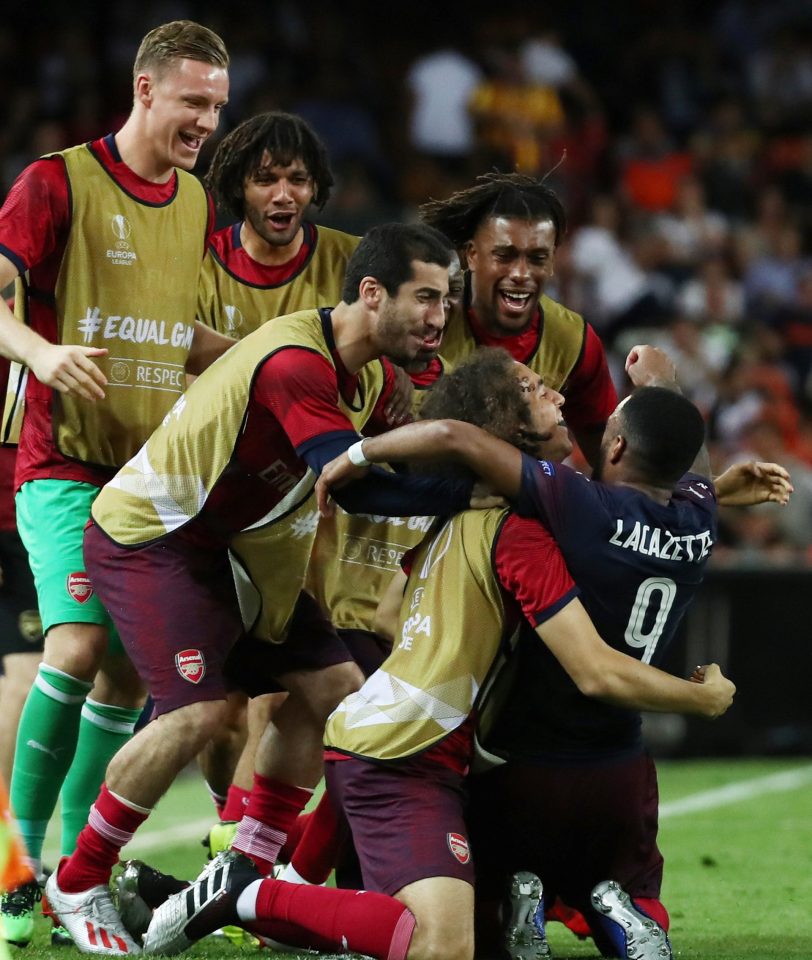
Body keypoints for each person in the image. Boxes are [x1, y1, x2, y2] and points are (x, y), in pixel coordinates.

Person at [137, 348, 736, 960]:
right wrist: (703, 696)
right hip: (408, 753)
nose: (560, 398)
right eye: (535, 390)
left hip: (406, 737)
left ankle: (269, 889)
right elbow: (593, 669)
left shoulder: (470, 509)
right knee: (441, 946)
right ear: (507, 431)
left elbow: (389, 612)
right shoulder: (524, 529)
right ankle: (247, 894)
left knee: (453, 932)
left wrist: (445, 652)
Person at [43, 223, 479, 955]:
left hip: (238, 552)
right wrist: (483, 489)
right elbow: (355, 480)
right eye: (428, 297)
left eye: (448, 299)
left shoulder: (365, 374)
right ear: (372, 294)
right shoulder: (294, 362)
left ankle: (250, 873)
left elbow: (379, 477)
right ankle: (77, 880)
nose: (441, 317)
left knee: (339, 691)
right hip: (157, 538)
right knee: (201, 714)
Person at [313, 345, 790, 960]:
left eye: (610, 426)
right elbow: (681, 467)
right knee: (633, 880)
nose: (565, 403)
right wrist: (666, 387)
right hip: (619, 755)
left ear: (614, 448)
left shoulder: (574, 506)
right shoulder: (698, 516)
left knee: (465, 901)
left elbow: (456, 440)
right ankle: (624, 914)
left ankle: (510, 905)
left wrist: (354, 454)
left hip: (513, 753)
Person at [0, 20, 232, 945]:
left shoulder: (197, 203)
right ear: (145, 91)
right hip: (59, 464)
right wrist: (43, 352)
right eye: (192, 102)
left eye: (216, 107)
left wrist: (293, 354)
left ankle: (68, 874)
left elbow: (183, 338)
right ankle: (15, 869)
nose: (206, 122)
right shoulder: (56, 181)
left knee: (135, 670)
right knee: (78, 648)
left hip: (148, 481)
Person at [191, 109, 361, 826]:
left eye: (297, 178)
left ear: (316, 187)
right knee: (222, 715)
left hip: (312, 504)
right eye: (266, 180)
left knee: (286, 693)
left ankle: (239, 852)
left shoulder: (352, 263)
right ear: (241, 188)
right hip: (207, 499)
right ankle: (230, 832)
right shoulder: (195, 262)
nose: (283, 193)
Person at [420, 170, 617, 466]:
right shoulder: (424, 317)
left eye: (537, 258)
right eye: (505, 256)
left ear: (552, 262)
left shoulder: (575, 342)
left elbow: (610, 461)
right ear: (472, 256)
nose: (521, 274)